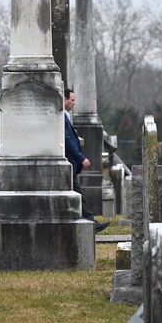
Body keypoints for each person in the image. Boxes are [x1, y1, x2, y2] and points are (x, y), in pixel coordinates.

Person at [64, 88, 110, 233]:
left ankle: (90, 222)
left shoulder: (65, 116)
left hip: (70, 164)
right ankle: (91, 223)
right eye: (72, 100)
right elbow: (67, 140)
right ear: (64, 100)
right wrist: (81, 158)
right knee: (78, 195)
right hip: (69, 162)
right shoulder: (61, 117)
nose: (74, 103)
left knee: (77, 194)